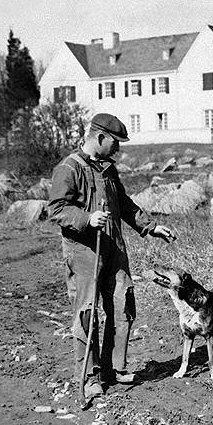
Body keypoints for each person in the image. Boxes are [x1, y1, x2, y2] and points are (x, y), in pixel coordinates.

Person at [47, 113, 176, 400]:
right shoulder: (69, 168)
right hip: (84, 253)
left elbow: (124, 204)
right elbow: (55, 209)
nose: (118, 148)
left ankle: (112, 368)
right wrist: (86, 218)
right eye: (115, 143)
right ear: (101, 138)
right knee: (87, 315)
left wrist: (150, 227)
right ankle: (90, 377)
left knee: (123, 306)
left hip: (114, 250)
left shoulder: (108, 169)